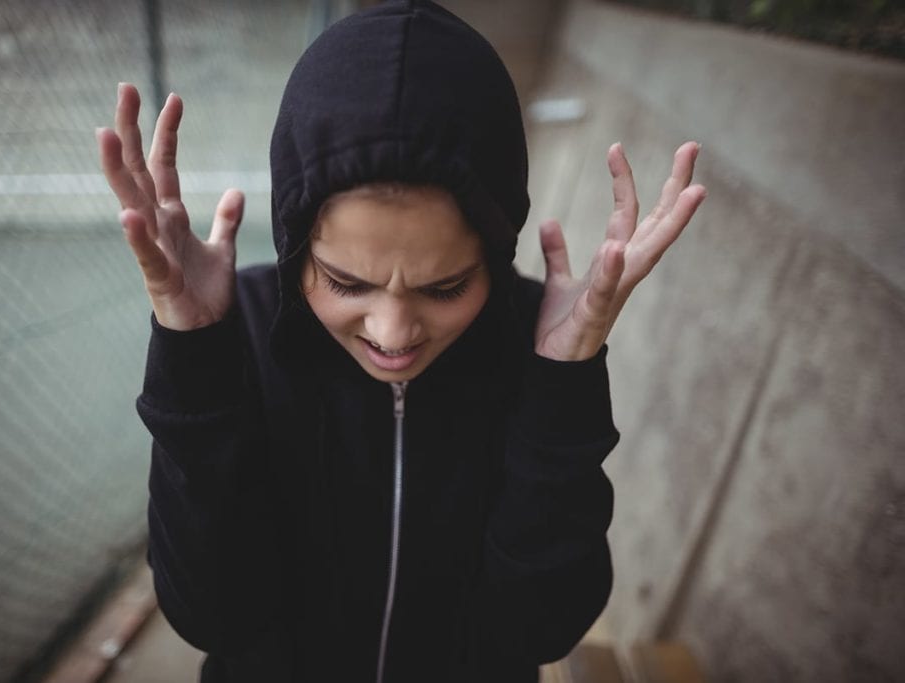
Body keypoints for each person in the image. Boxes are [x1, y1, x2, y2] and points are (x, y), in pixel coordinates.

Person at [96, 1, 705, 681]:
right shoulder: (238, 333)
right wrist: (193, 355)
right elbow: (217, 616)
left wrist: (565, 380)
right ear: (297, 247)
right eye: (344, 281)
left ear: (497, 251)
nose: (393, 334)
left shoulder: (537, 340)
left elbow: (541, 626)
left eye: (444, 288)